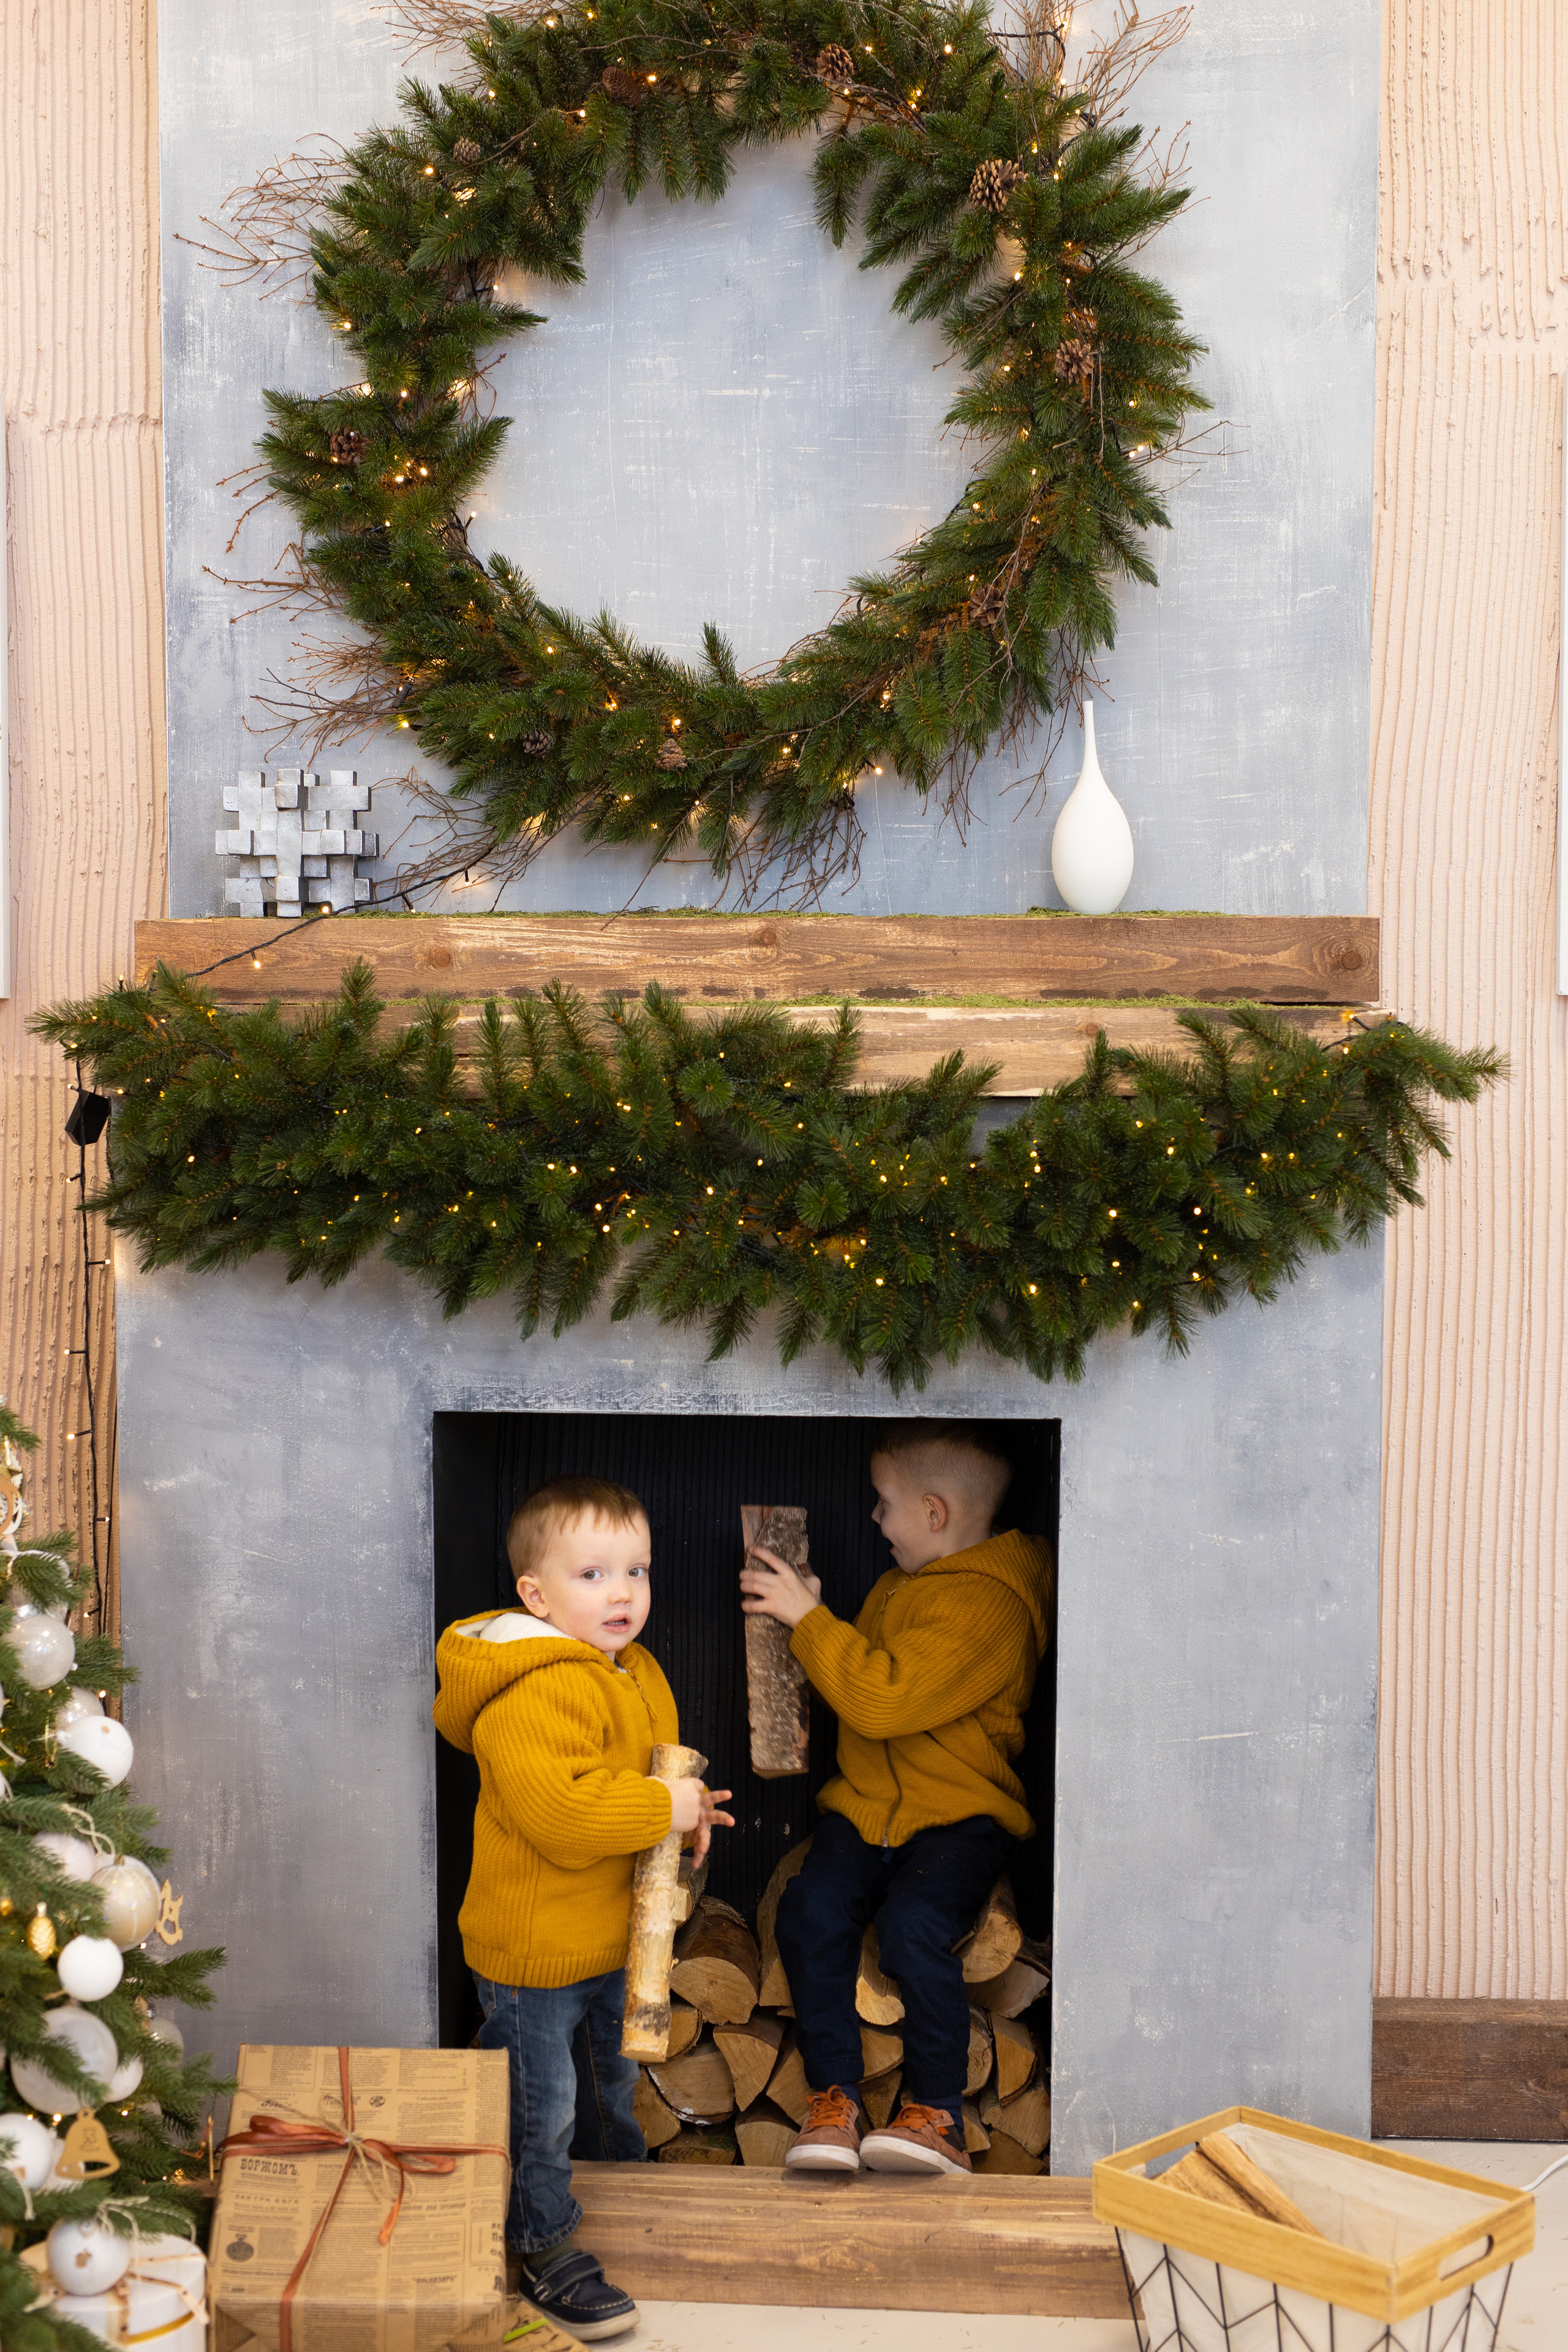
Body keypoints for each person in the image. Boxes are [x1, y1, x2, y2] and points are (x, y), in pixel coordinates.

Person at [434, 1472, 733, 2339]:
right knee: (542, 2105)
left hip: (608, 1937)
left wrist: (685, 1817)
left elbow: (645, 1774)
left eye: (636, 1571)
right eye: (593, 1575)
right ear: (536, 1595)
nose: (622, 1593)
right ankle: (541, 2243)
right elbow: (563, 1817)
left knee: (608, 2084)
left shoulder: (630, 1669)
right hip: (533, 1950)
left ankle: (615, 2193)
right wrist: (661, 1808)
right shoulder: (532, 1686)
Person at [740, 1420, 1052, 2177]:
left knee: (915, 1928)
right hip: (866, 1810)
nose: (874, 1518)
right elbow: (864, 1678)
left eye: (884, 1503)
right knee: (811, 1909)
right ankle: (834, 2098)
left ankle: (937, 2111)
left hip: (957, 1818)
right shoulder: (899, 1585)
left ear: (934, 1512)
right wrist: (817, 1618)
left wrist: (809, 1621)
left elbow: (882, 1700)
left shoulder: (989, 1606)